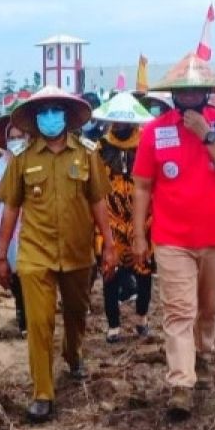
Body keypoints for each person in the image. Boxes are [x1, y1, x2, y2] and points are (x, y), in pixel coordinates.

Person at [132, 56, 215, 419]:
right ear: (173, 94)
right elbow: (142, 186)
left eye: (196, 89)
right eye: (183, 91)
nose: (189, 95)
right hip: (172, 239)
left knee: (209, 307)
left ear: (207, 91)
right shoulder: (155, 131)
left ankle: (202, 353)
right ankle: (181, 383)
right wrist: (139, 234)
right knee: (179, 310)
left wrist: (206, 134)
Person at [0, 86, 117, 424]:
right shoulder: (22, 158)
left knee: (77, 312)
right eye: (44, 111)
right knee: (39, 322)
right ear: (35, 118)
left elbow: (98, 202)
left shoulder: (87, 153)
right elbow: (10, 209)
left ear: (66, 115)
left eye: (56, 110)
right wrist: (0, 256)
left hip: (78, 253)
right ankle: (42, 392)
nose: (50, 117)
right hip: (36, 253)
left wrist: (108, 244)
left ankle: (74, 353)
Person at [90, 92, 155, 343]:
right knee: (110, 270)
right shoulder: (100, 148)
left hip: (142, 217)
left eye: (125, 121)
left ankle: (141, 317)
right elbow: (94, 186)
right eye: (115, 121)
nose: (120, 125)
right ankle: (113, 324)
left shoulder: (145, 145)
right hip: (110, 218)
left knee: (144, 269)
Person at [0, 110, 28, 337]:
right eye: (12, 137)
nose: (16, 141)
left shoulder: (32, 163)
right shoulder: (0, 166)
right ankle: (22, 313)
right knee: (13, 272)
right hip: (7, 221)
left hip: (29, 222)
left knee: (29, 270)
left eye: (20, 136)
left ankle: (29, 314)